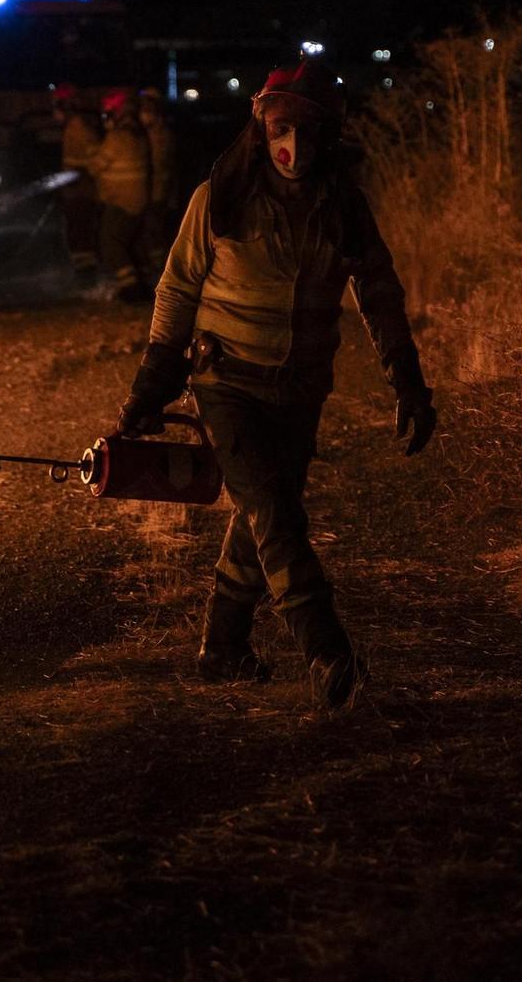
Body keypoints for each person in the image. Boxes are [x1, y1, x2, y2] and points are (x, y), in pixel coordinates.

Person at [113, 59, 437, 708]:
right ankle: (327, 652)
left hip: (300, 388)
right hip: (226, 379)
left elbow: (378, 290)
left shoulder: (343, 205)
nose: (293, 144)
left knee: (264, 511)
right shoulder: (222, 195)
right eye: (280, 126)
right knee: (275, 514)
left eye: (306, 129)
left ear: (329, 133)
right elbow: (177, 285)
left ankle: (223, 646)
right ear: (260, 126)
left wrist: (407, 379)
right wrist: (152, 382)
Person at [90, 87, 154, 301]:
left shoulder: (116, 138)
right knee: (133, 244)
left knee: (110, 243)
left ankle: (130, 290)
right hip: (139, 200)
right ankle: (142, 286)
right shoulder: (141, 136)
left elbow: (95, 166)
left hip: (119, 201)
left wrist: (93, 148)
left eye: (108, 114)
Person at [53, 86, 103, 273]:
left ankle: (87, 272)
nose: (55, 111)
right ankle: (83, 269)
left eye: (58, 105)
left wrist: (78, 176)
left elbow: (93, 160)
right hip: (76, 190)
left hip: (82, 191)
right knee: (77, 231)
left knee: (81, 232)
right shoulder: (73, 127)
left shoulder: (79, 128)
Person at [137, 88, 177, 254]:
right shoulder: (146, 131)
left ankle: (158, 263)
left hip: (157, 189)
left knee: (155, 228)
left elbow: (161, 163)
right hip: (147, 189)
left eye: (148, 107)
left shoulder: (161, 133)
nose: (144, 112)